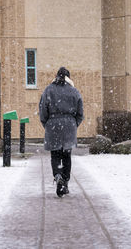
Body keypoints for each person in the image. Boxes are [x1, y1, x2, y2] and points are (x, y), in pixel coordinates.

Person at [39, 67, 84, 197]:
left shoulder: (48, 90)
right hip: (69, 126)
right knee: (66, 156)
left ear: (56, 76)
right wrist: (73, 124)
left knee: (55, 155)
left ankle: (58, 176)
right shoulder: (74, 92)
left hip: (53, 125)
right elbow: (80, 113)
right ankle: (65, 181)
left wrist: (47, 124)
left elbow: (43, 111)